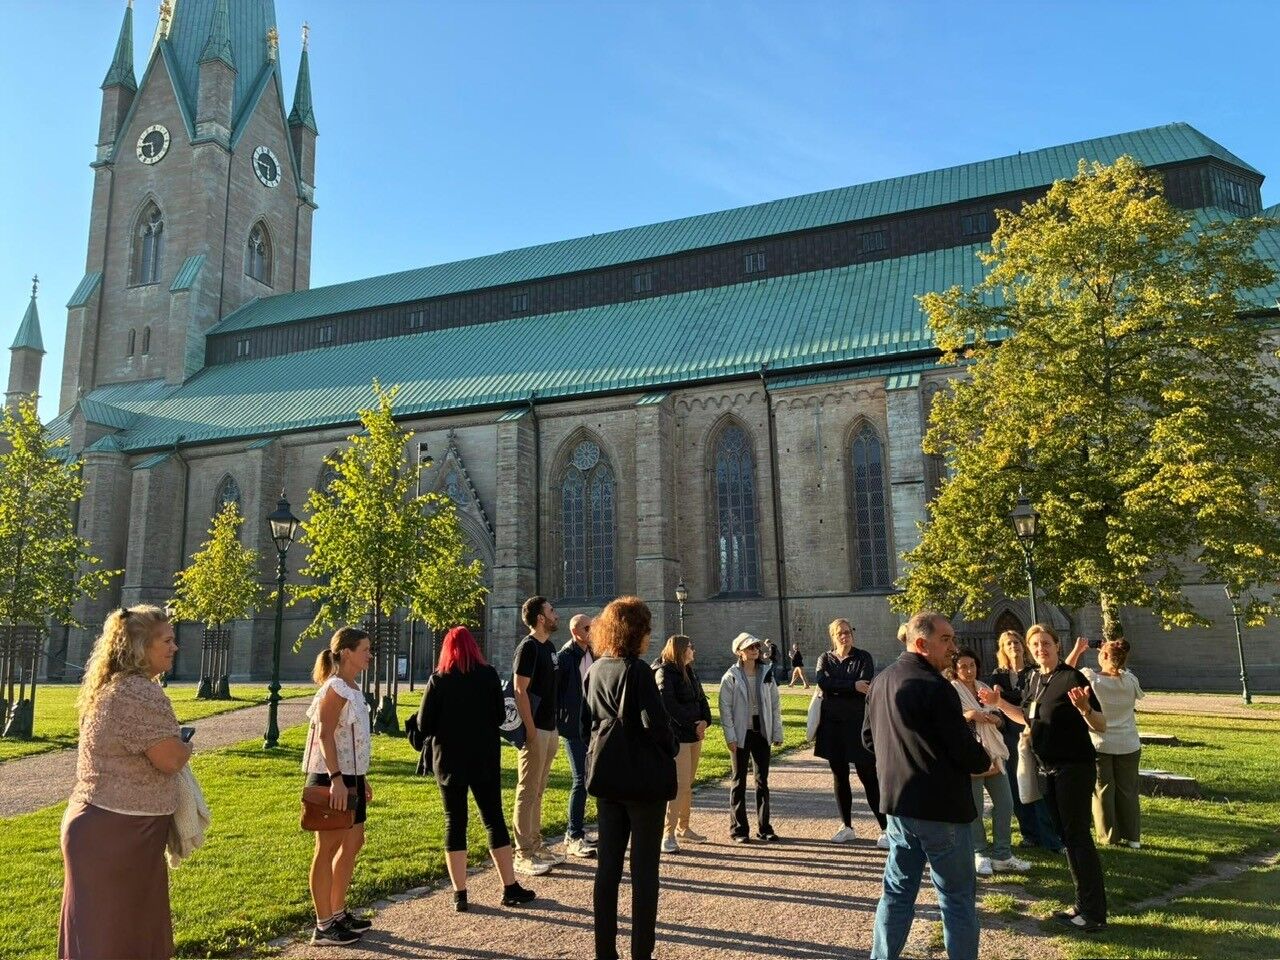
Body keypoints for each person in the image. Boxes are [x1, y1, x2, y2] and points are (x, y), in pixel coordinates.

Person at [59, 606, 191, 960]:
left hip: (105, 825)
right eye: (167, 640)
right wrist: (186, 746)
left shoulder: (115, 687)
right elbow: (170, 759)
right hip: (119, 832)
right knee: (116, 938)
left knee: (104, 933)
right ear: (140, 647)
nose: (175, 647)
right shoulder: (138, 692)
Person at [864, 611, 991, 960]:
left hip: (899, 807)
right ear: (921, 643)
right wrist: (984, 760)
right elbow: (964, 750)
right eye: (945, 640)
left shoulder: (881, 681)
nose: (953, 647)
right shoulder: (936, 687)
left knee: (897, 893)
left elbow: (869, 739)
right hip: (941, 810)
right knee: (956, 897)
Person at [982, 624, 1108, 933]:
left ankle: (1093, 912)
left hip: (1073, 767)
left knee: (1077, 837)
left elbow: (1101, 724)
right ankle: (1081, 904)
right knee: (1067, 837)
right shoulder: (1035, 679)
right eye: (1035, 644)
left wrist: (1085, 709)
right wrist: (999, 704)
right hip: (1047, 769)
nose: (1041, 649)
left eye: (1046, 643)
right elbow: (1028, 718)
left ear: (1057, 645)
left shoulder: (1071, 677)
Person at [583, 596, 678, 960]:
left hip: (608, 775)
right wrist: (670, 746)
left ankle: (604, 951)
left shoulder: (596, 669)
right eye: (646, 629)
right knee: (644, 872)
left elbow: (588, 722)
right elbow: (655, 723)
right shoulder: (636, 670)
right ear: (635, 632)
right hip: (642, 780)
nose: (649, 636)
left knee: (607, 869)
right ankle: (641, 953)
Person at [418, 626, 537, 911]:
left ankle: (460, 893)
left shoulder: (439, 680)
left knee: (454, 822)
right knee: (493, 819)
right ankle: (509, 886)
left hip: (449, 760)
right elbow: (500, 715)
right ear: (474, 647)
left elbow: (424, 724)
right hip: (483, 758)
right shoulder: (489, 675)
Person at [301, 626, 375, 945]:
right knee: (327, 847)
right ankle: (323, 925)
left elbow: (352, 739)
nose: (370, 655)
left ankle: (338, 910)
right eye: (365, 649)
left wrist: (361, 778)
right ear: (346, 653)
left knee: (354, 841)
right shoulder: (335, 688)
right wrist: (336, 780)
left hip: (351, 777)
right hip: (332, 778)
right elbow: (325, 735)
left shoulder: (352, 687)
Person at [949, 648, 1029, 875]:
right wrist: (969, 716)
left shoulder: (983, 687)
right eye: (963, 667)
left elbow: (1002, 720)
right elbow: (947, 721)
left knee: (1005, 804)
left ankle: (1003, 854)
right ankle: (980, 853)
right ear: (955, 670)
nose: (968, 670)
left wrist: (996, 720)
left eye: (972, 665)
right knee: (975, 808)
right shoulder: (951, 690)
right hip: (970, 754)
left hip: (993, 753)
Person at [985, 630, 1062, 852]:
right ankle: (1030, 834)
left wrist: (1004, 697)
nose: (1014, 646)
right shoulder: (997, 675)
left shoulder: (1033, 673)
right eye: (1008, 643)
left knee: (1039, 784)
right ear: (1002, 649)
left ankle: (1050, 836)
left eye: (1017, 642)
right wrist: (1005, 699)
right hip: (1009, 736)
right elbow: (995, 704)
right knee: (1017, 784)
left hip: (1033, 732)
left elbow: (1030, 701)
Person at [1066, 635, 1144, 848]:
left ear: (1106, 656)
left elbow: (1065, 673)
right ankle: (1133, 838)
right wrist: (1111, 650)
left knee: (1102, 791)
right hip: (1128, 743)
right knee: (1128, 791)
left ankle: (1109, 837)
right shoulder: (1130, 680)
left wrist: (1078, 650)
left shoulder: (1091, 679)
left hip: (1100, 742)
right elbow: (1122, 670)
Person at [815, 618, 885, 846]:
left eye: (848, 632)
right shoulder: (825, 658)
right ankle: (846, 826)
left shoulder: (863, 657)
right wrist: (851, 686)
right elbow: (822, 682)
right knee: (839, 776)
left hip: (858, 724)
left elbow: (864, 683)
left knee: (868, 776)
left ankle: (885, 828)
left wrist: (839, 686)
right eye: (840, 633)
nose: (845, 636)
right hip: (832, 724)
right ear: (833, 636)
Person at [511, 595, 562, 875]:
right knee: (527, 790)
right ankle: (523, 853)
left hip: (550, 727)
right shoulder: (528, 647)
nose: (556, 614)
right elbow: (520, 690)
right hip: (536, 729)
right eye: (551, 611)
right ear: (540, 618)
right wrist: (530, 729)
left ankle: (536, 844)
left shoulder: (549, 647)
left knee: (539, 789)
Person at [719, 632, 784, 842]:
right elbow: (725, 709)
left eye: (756, 647)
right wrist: (730, 736)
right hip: (741, 733)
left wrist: (776, 732)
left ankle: (765, 827)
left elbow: (774, 705)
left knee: (762, 781)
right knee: (739, 781)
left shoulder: (766, 673)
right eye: (750, 648)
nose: (755, 650)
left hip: (761, 732)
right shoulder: (731, 676)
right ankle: (738, 829)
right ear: (739, 652)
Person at [654, 634, 712, 851]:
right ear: (680, 650)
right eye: (690, 646)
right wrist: (692, 725)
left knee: (688, 783)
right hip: (679, 736)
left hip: (694, 734)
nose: (693, 650)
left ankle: (683, 827)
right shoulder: (664, 672)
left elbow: (701, 699)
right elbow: (668, 706)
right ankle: (667, 834)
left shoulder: (690, 671)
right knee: (679, 785)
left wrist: (705, 721)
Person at [554, 613, 598, 858]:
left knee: (593, 777)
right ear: (575, 632)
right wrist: (561, 719)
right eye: (587, 627)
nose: (592, 631)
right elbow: (556, 692)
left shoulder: (595, 653)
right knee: (580, 779)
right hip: (573, 728)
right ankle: (573, 835)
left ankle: (579, 831)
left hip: (594, 725)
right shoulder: (564, 657)